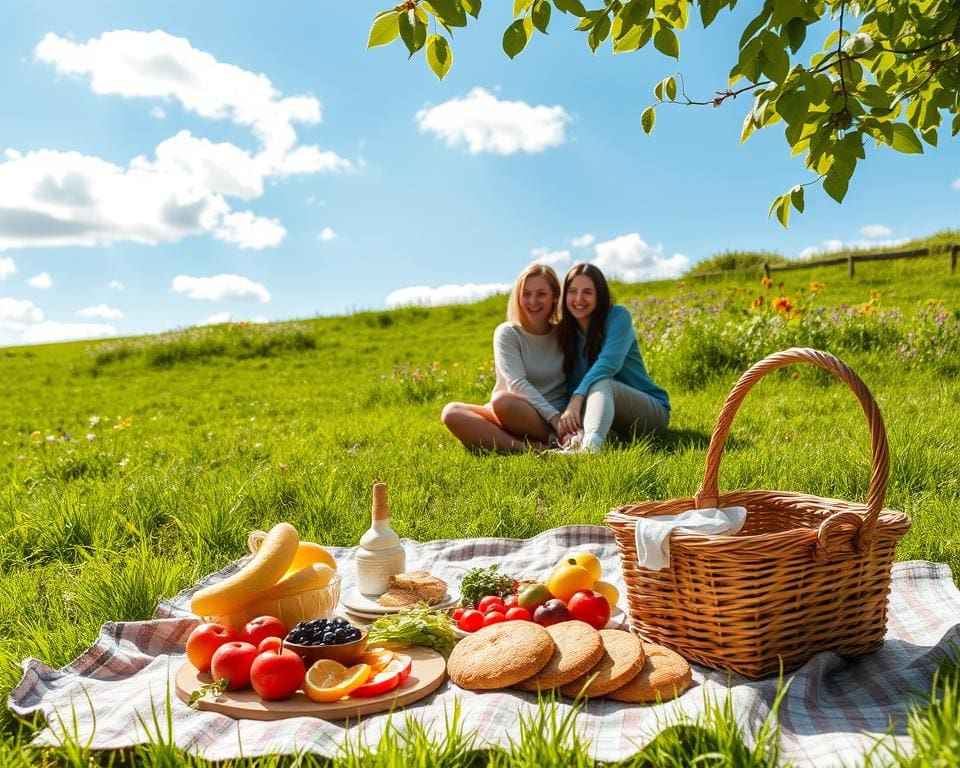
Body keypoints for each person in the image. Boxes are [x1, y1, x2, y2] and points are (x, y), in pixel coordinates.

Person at [441, 264, 566, 451]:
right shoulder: (508, 332)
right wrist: (555, 420)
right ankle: (533, 449)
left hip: (548, 417)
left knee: (503, 401)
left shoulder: (565, 333)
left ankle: (548, 439)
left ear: (555, 296)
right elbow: (516, 384)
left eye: (541, 294)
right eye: (526, 294)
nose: (533, 301)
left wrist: (557, 418)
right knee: (451, 412)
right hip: (511, 413)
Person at [556, 263, 669, 453]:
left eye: (587, 292)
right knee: (589, 410)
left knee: (601, 382)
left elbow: (609, 363)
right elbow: (570, 383)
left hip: (650, 414)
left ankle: (591, 449)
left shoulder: (618, 317)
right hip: (612, 418)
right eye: (572, 291)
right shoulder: (567, 336)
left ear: (599, 296)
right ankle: (588, 441)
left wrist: (577, 396)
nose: (578, 299)